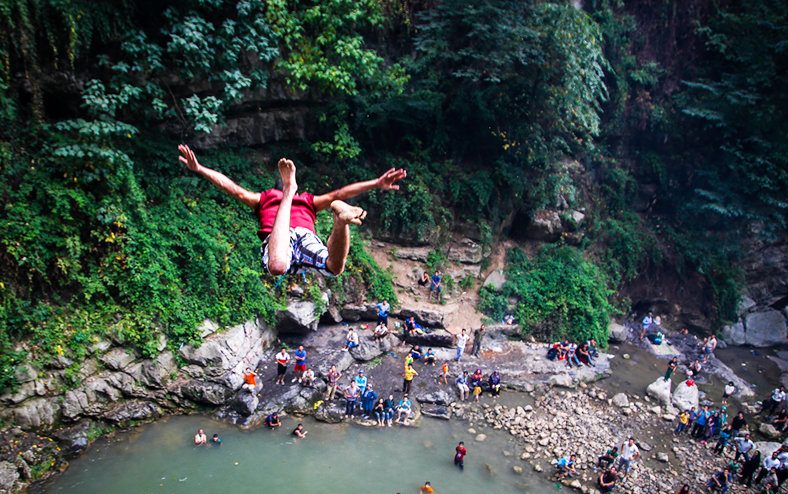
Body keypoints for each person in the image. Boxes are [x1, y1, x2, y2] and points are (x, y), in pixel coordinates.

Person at [177, 145, 406, 278]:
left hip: (279, 238)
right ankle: (341, 222)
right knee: (334, 269)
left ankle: (339, 219)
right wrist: (375, 183)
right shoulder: (307, 200)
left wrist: (199, 169)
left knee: (276, 266)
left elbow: (233, 190)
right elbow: (340, 193)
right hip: (301, 236)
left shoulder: (263, 198)